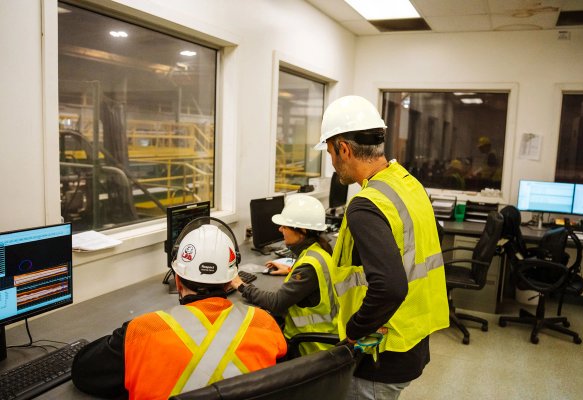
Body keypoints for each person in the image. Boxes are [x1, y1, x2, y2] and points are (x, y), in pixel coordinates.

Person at [314, 95, 449, 399]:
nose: (333, 163)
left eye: (330, 153)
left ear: (344, 148)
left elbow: (390, 287)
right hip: (412, 337)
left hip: (379, 352)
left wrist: (353, 331)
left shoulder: (366, 205)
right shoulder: (407, 182)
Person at [71, 220, 287, 399]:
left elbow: (83, 372)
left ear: (177, 279)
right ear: (231, 280)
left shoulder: (142, 331)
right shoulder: (265, 322)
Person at [229, 194, 338, 356]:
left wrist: (242, 286)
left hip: (311, 347)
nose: (280, 230)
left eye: (285, 226)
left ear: (302, 231)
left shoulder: (308, 266)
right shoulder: (319, 249)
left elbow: (277, 302)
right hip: (326, 333)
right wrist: (290, 270)